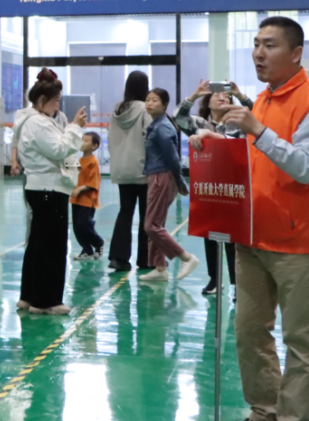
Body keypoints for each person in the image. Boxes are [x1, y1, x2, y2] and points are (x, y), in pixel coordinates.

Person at [197, 17, 309, 421]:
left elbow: (305, 167)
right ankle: (265, 413)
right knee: (249, 331)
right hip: (254, 238)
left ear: (295, 53)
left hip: (299, 243)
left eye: (270, 45)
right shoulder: (261, 99)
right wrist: (214, 141)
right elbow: (251, 158)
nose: (259, 53)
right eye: (256, 44)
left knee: (302, 340)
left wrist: (258, 130)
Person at [16, 68, 87, 315]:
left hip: (45, 187)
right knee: (51, 246)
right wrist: (75, 128)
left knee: (38, 244)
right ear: (42, 100)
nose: (58, 105)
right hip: (48, 188)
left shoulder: (40, 120)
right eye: (56, 100)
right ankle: (46, 301)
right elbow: (58, 150)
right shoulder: (37, 123)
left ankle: (29, 296)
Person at [175, 80, 253, 296]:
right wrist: (193, 95)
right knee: (210, 235)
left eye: (227, 96)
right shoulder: (199, 123)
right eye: (217, 95)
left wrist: (241, 95)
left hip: (234, 187)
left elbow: (259, 115)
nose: (223, 97)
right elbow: (177, 117)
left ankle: (237, 284)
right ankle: (214, 280)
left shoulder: (238, 123)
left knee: (233, 239)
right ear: (207, 101)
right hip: (208, 188)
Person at [138, 88, 199, 283]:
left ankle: (186, 257)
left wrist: (179, 179)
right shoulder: (156, 124)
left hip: (161, 177)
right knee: (157, 223)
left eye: (154, 100)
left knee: (151, 225)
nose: (149, 103)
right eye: (147, 99)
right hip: (155, 176)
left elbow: (173, 157)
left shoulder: (163, 127)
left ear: (165, 105)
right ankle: (160, 267)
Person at [107, 70, 152, 273]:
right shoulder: (145, 110)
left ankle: (118, 257)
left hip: (122, 169)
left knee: (125, 212)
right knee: (146, 214)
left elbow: (110, 138)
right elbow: (150, 138)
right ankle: (146, 258)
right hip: (142, 170)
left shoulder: (117, 110)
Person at [70, 131, 104, 261]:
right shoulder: (79, 161)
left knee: (84, 224)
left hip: (88, 200)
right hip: (76, 199)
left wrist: (80, 189)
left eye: (86, 141)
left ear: (94, 146)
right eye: (81, 140)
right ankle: (87, 250)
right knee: (77, 227)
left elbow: (93, 182)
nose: (82, 143)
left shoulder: (93, 162)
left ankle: (98, 242)